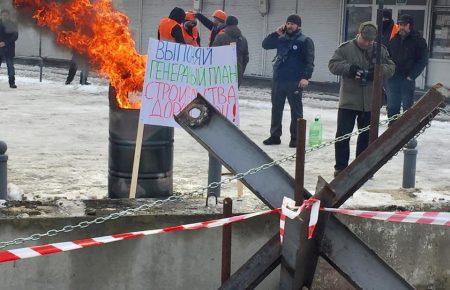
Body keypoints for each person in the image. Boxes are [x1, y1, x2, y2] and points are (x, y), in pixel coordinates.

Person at [329, 22, 395, 176]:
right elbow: (333, 65)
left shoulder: (380, 50)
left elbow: (391, 67)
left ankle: (363, 167)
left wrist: (377, 72)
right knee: (343, 135)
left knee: (367, 136)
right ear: (358, 34)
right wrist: (350, 69)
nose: (367, 43)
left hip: (371, 101)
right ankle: (341, 168)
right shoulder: (345, 49)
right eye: (365, 39)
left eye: (370, 41)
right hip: (349, 101)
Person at [262, 14, 315, 148]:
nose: (289, 26)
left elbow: (309, 62)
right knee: (276, 108)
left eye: (292, 24)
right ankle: (275, 136)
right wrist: (275, 33)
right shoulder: (281, 38)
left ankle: (296, 138)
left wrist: (305, 77)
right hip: (279, 79)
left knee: (296, 110)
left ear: (299, 26)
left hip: (295, 81)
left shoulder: (305, 41)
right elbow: (265, 45)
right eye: (288, 23)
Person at [386, 14, 428, 121]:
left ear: (410, 26)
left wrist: (411, 76)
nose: (401, 27)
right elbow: (387, 58)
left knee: (407, 108)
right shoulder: (394, 40)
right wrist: (388, 73)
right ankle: (391, 132)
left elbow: (422, 60)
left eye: (404, 25)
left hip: (407, 79)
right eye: (400, 24)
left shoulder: (418, 41)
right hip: (393, 79)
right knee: (392, 107)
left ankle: (406, 133)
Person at [212, 15, 249, 87]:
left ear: (226, 23)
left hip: (221, 73)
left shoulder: (220, 37)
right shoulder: (243, 39)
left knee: (221, 95)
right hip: (236, 73)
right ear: (236, 24)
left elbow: (213, 54)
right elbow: (246, 58)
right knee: (232, 96)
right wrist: (240, 71)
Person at [0, 9, 18, 89]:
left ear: (8, 16)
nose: (4, 16)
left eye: (6, 15)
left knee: (10, 67)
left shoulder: (12, 24)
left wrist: (5, 43)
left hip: (8, 49)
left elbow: (15, 36)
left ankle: (12, 83)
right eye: (3, 15)